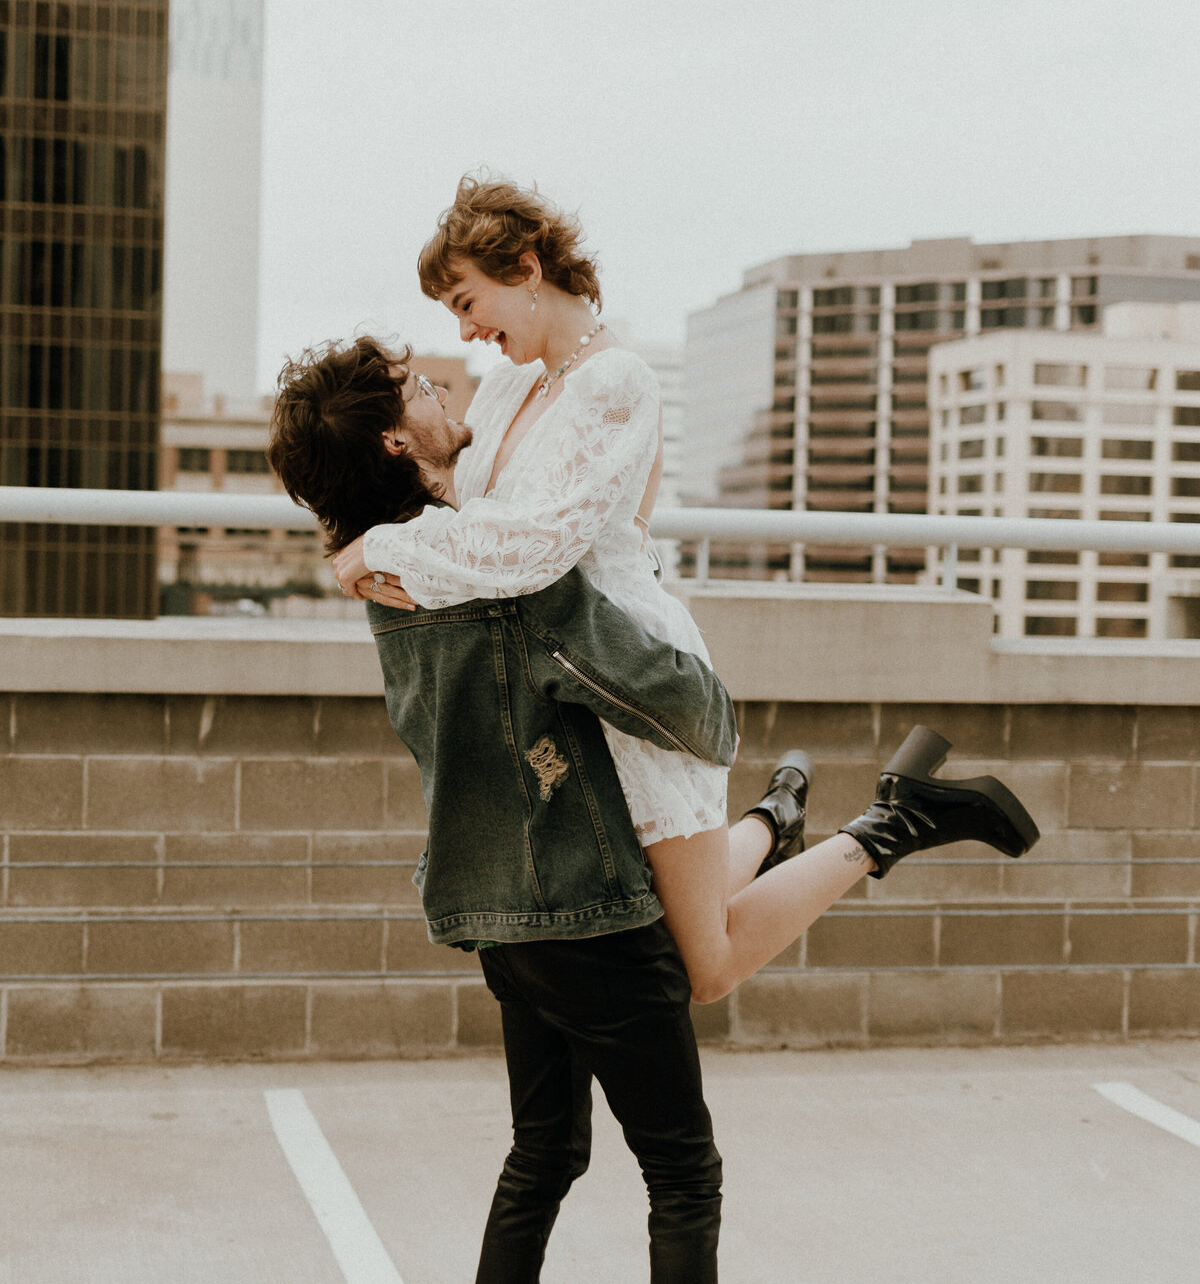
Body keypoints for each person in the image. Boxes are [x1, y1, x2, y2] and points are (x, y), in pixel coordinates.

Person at [271, 330, 1039, 1284]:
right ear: (393, 441)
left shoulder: (382, 572)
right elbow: (656, 693)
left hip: (491, 907)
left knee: (543, 1154)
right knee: (682, 1168)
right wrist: (721, 715)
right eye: (419, 387)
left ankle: (803, 822)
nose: (440, 387)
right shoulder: (503, 579)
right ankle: (864, 826)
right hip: (585, 899)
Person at [332, 175, 1039, 1001]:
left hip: (630, 679)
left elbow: (529, 549)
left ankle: (887, 824)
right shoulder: (507, 387)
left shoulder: (615, 381)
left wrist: (383, 544)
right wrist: (357, 537)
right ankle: (774, 820)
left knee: (703, 964)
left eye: (467, 299)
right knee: (665, 929)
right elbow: (462, 516)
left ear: (525, 267)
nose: (464, 329)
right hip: (555, 691)